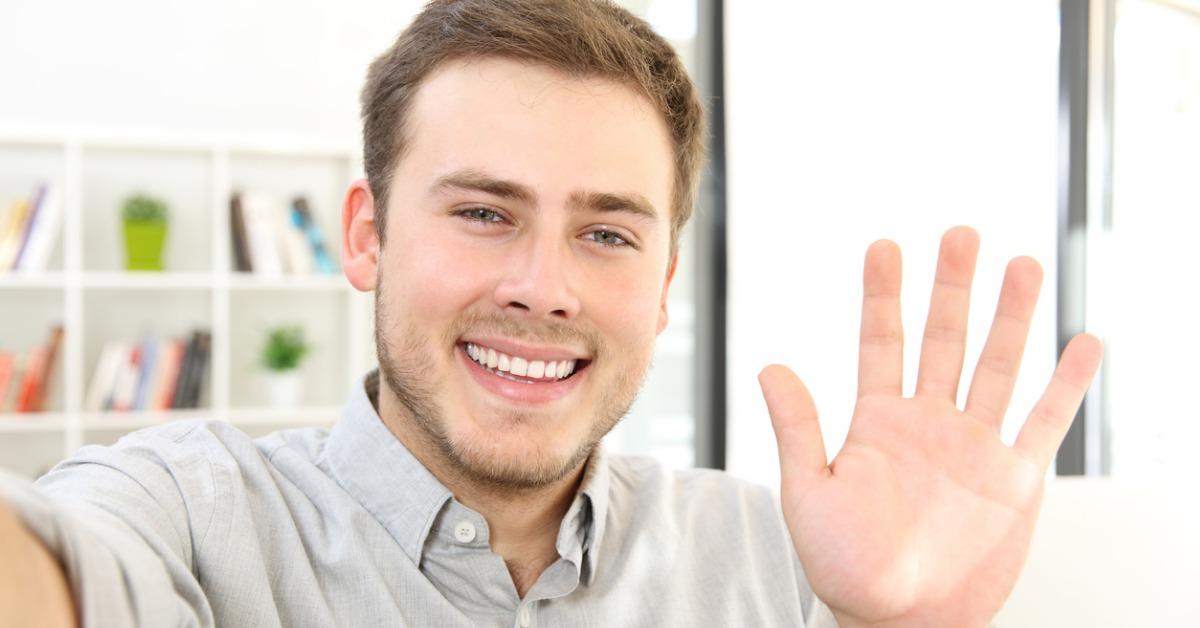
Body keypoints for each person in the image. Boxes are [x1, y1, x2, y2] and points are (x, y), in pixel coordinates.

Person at [0, 1, 1103, 626]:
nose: (544, 286)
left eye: (609, 232)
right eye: (485, 211)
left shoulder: (784, 562)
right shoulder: (188, 514)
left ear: (665, 281)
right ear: (366, 234)